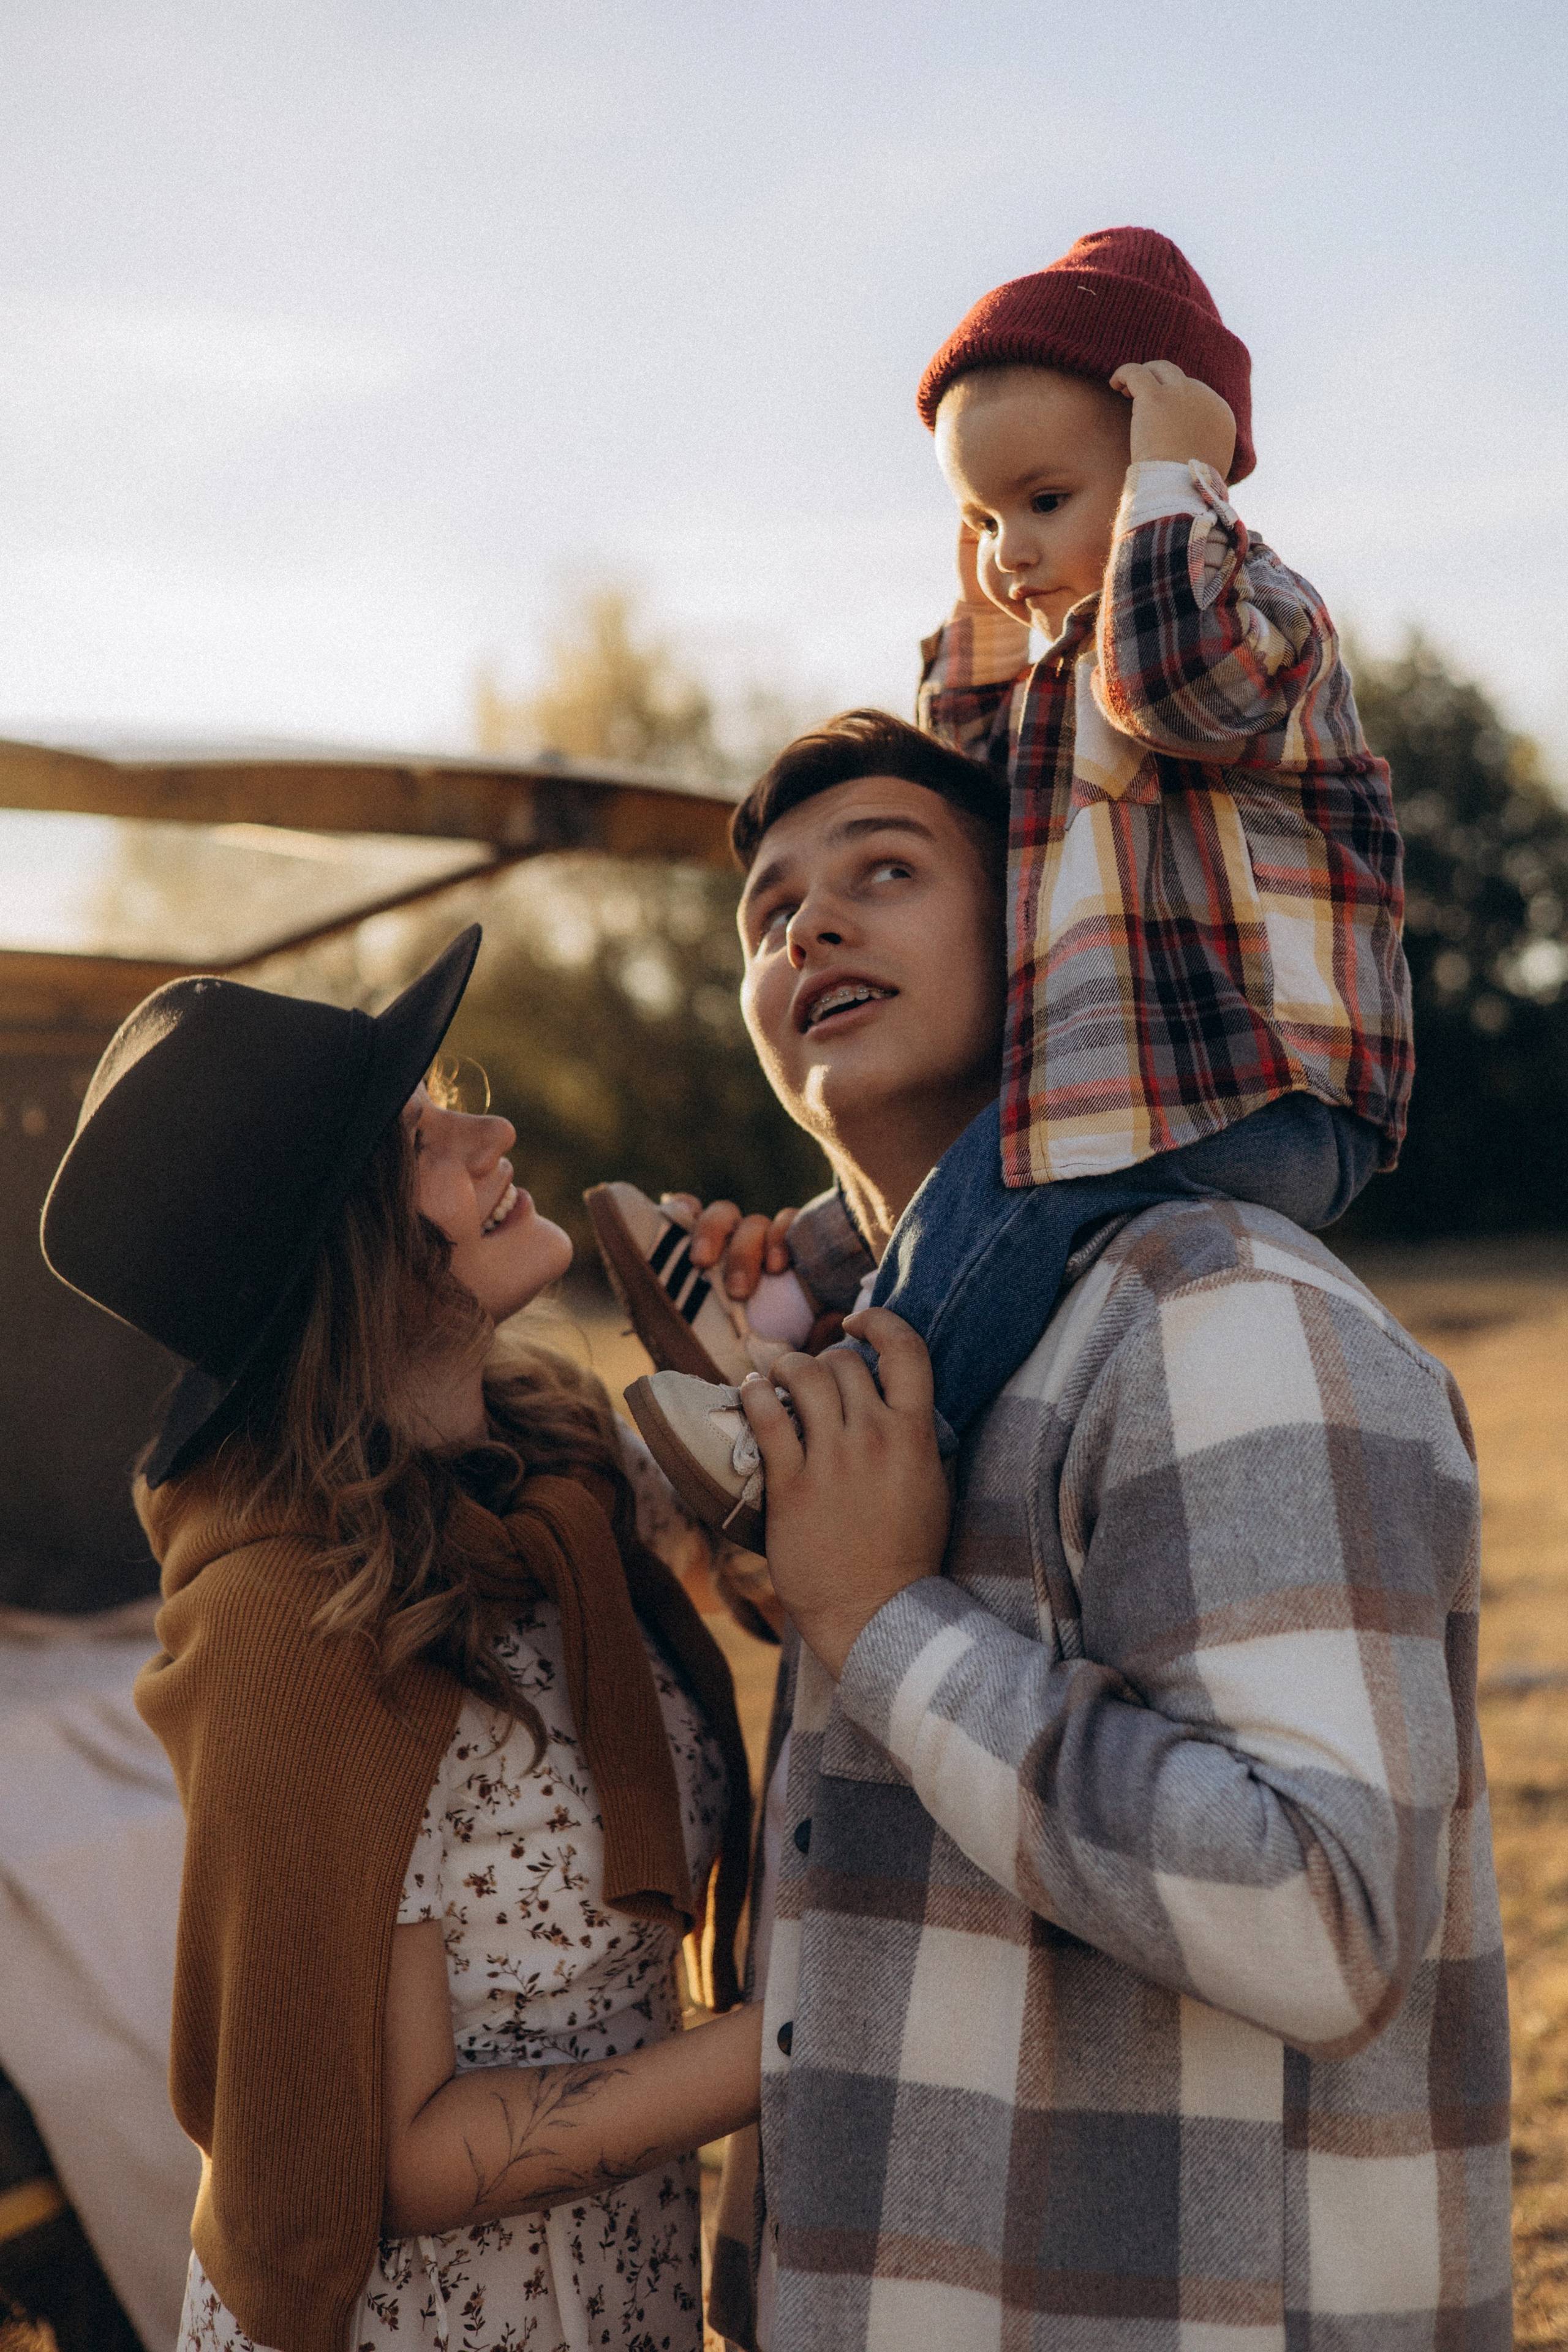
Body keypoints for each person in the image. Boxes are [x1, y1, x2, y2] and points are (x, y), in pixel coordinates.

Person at [658, 728, 1507, 2347]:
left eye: (884, 871)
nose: (808, 928)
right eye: (769, 915)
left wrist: (888, 1622)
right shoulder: (881, 1368)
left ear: (1044, 930)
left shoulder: (1221, 1311)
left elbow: (1328, 1918)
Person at [618, 227, 1414, 1535]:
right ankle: (761, 1321)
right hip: (1141, 1090)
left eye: (1042, 502)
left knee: (1018, 1169)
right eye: (981, 518)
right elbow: (965, 783)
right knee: (973, 1183)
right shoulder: (1069, 675)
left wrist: (1175, 478)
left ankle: (850, 1442)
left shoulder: (1244, 618)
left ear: (1178, 471)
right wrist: (993, 589)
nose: (1007, 548)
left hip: (1260, 1086)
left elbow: (1170, 682)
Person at [37, 926, 762, 2352]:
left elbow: (790, 1533)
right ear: (342, 1252)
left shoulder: (550, 1478)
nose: (491, 1130)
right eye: (423, 1134)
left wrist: (759, 1305)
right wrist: (810, 2027)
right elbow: (402, 2155)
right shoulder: (287, 1627)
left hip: (621, 2300)